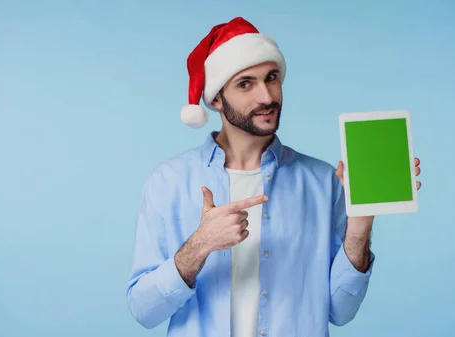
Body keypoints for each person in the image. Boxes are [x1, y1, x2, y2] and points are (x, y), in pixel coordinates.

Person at [126, 17, 422, 336]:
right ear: (215, 99)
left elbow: (340, 310)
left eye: (271, 77)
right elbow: (144, 311)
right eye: (245, 84)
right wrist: (199, 245)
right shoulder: (168, 181)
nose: (267, 97)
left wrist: (359, 228)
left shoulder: (324, 183)